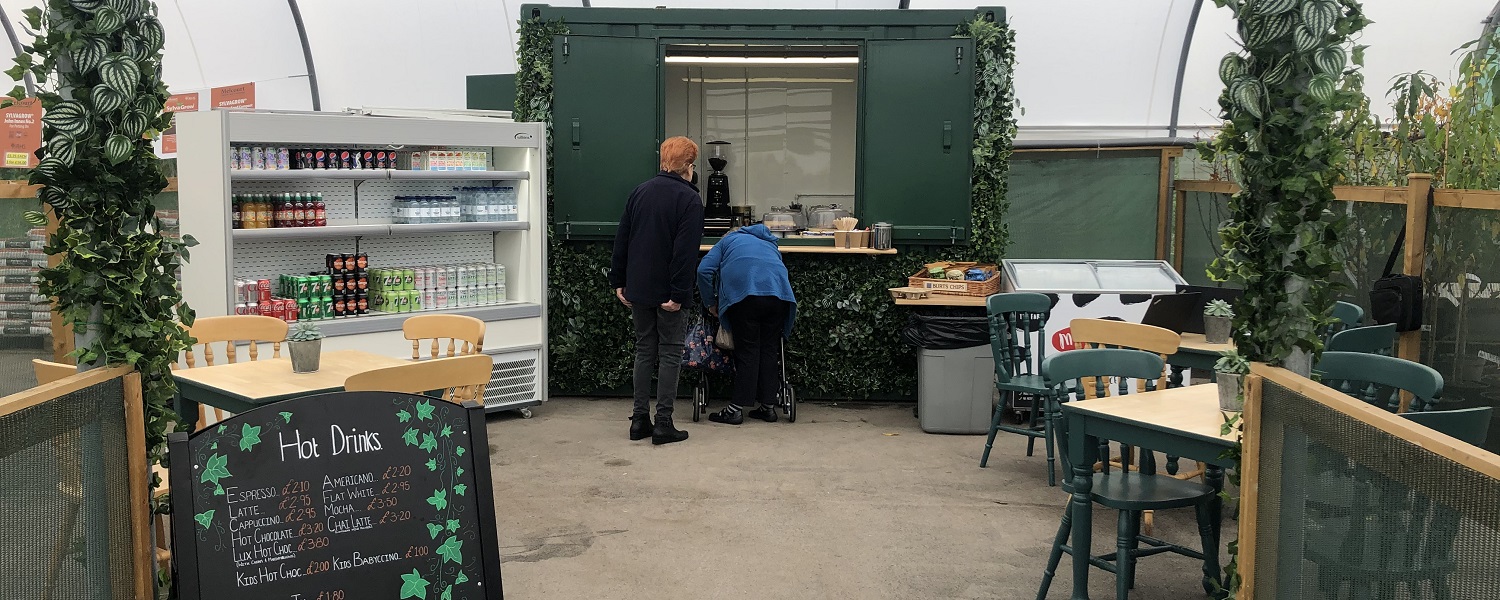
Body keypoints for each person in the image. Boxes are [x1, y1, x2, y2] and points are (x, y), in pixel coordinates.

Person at [609, 136, 704, 445]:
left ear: (664, 161)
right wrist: (678, 294)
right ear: (688, 166)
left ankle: (639, 421)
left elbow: (622, 239)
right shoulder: (689, 199)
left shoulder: (640, 192)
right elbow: (684, 254)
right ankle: (663, 423)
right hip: (668, 292)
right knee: (671, 352)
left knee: (644, 350)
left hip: (638, 287)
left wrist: (618, 280)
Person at [696, 223, 797, 424]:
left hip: (745, 298)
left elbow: (704, 270)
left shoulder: (727, 240)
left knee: (748, 351)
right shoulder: (769, 243)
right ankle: (768, 407)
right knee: (769, 349)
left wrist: (710, 303)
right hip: (779, 298)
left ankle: (735, 410)